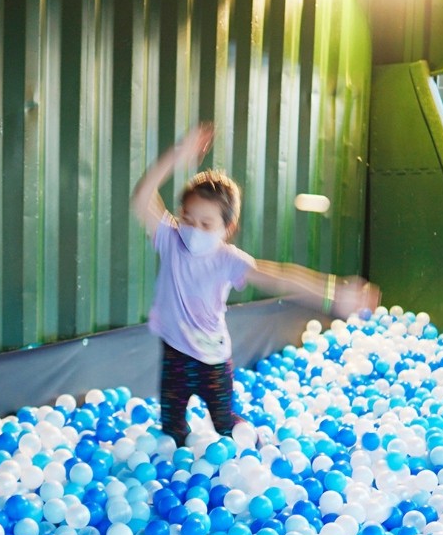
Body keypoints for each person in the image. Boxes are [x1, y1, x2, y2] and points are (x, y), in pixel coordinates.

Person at [131, 124, 381, 445]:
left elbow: (279, 277)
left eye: (206, 224)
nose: (194, 229)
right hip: (175, 357)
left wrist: (332, 294)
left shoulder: (227, 259)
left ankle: (261, 454)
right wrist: (178, 154)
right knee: (172, 427)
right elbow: (142, 197)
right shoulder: (170, 237)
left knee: (225, 423)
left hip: (213, 361)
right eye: (188, 218)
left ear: (227, 228)